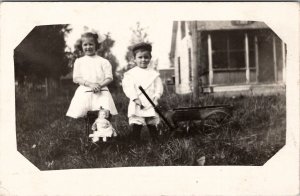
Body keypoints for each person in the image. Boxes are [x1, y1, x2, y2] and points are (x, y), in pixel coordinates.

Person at [66, 32, 118, 119]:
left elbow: (109, 77)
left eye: (91, 44)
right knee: (88, 116)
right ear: (81, 46)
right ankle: (91, 131)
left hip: (101, 91)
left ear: (96, 45)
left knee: (103, 115)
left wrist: (98, 86)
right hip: (85, 91)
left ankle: (103, 131)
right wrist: (91, 84)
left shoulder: (103, 61)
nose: (88, 47)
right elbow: (76, 78)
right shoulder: (79, 61)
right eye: (85, 44)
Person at [122, 42, 163, 143]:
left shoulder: (154, 74)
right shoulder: (131, 74)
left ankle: (155, 140)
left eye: (146, 57)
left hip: (150, 101)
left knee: (151, 121)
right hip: (138, 102)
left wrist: (156, 96)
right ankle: (135, 140)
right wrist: (135, 98)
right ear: (134, 59)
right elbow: (128, 87)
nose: (143, 60)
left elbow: (159, 87)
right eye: (140, 57)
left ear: (150, 58)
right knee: (137, 121)